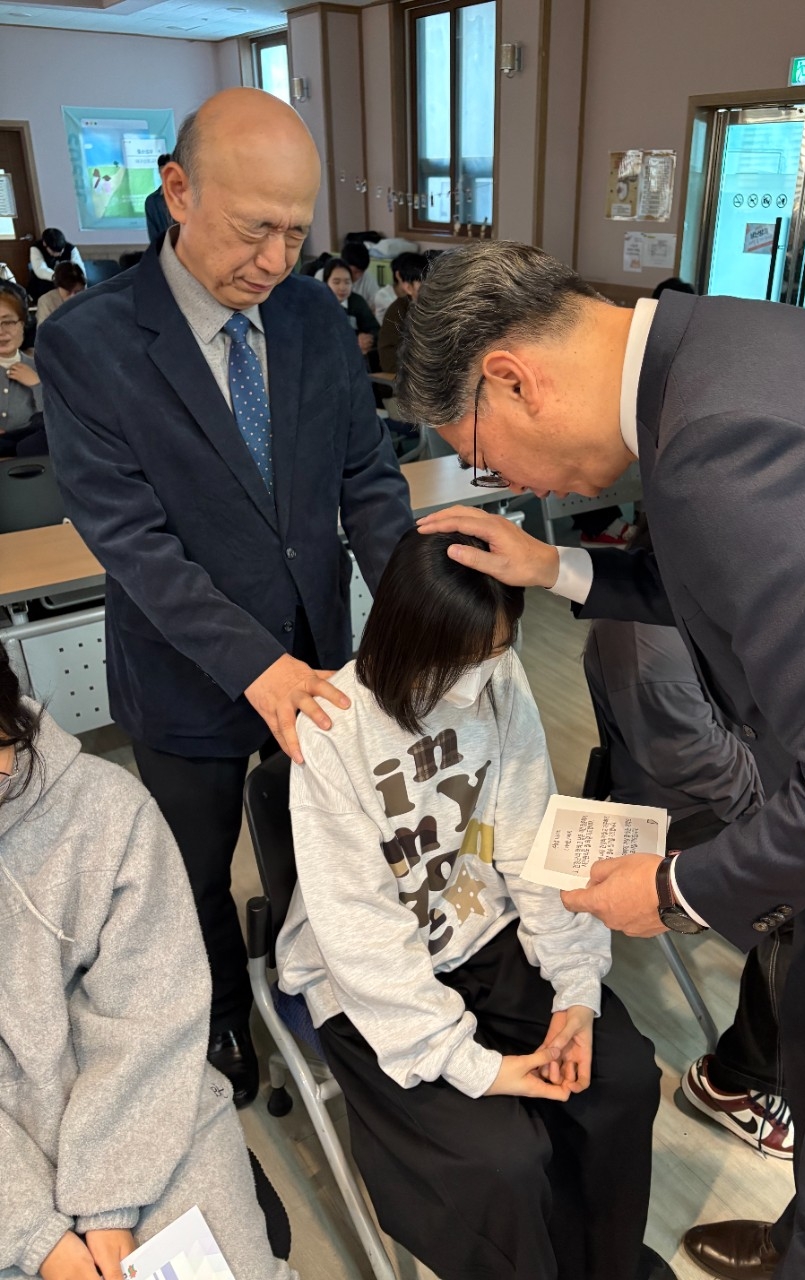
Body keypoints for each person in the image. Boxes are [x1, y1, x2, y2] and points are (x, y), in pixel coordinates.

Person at [401, 241, 805, 1280]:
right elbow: (722, 581)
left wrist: (672, 888)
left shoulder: (729, 439)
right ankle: (801, 1238)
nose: (507, 483)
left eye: (485, 456)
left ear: (513, 379)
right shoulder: (713, 356)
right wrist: (557, 566)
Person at [36, 87, 412, 1113]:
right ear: (179, 190)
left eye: (297, 231)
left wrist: (417, 613)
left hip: (319, 651)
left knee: (321, 847)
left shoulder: (312, 317)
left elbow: (367, 479)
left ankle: (317, 985)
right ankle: (215, 1010)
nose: (276, 259)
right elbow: (134, 543)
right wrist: (254, 665)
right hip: (185, 674)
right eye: (254, 229)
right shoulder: (89, 343)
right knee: (191, 870)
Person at [277, 527, 672, 1280]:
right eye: (464, 659)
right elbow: (362, 935)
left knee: (619, 1077)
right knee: (502, 1162)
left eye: (495, 650)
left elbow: (529, 839)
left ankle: (608, 1267)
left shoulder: (498, 674)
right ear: (410, 638)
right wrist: (475, 1067)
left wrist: (575, 990)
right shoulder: (334, 729)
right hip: (373, 982)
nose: (480, 677)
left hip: (480, 929)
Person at [0, 646, 296, 1280]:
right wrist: (35, 1237)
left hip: (146, 1105)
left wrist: (107, 1204)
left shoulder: (107, 808)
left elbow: (153, 1015)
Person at [585, 614, 795, 1161]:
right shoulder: (644, 633)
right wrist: (793, 814)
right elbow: (700, 759)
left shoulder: (703, 590)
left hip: (735, 778)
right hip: (681, 810)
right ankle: (735, 1083)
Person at [0, 282, 42, 433]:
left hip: (29, 447)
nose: (1, 332)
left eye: (8, 322)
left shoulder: (40, 368)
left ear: (22, 324)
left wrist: (37, 385)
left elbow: (57, 420)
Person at [377, 253, 428, 375]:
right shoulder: (398, 311)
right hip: (404, 374)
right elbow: (388, 361)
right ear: (408, 288)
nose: (430, 290)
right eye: (423, 286)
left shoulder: (436, 308)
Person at [320, 255, 380, 359]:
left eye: (347, 282)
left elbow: (376, 330)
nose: (342, 287)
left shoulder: (357, 302)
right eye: (336, 282)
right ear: (325, 283)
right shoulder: (317, 304)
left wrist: (369, 339)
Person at [28, 228, 84, 303]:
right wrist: (60, 278)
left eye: (61, 250)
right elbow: (40, 269)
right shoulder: (36, 248)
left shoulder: (71, 248)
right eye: (54, 252)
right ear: (44, 244)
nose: (59, 254)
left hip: (68, 282)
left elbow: (79, 268)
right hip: (45, 282)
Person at [372, 250, 428, 324]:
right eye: (418, 280)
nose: (423, 284)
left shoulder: (416, 294)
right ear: (398, 275)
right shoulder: (383, 296)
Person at [36, 262, 86, 326]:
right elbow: (44, 330)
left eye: (77, 292)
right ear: (58, 287)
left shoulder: (90, 298)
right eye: (68, 292)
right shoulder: (46, 302)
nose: (73, 296)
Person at [145, 153, 175, 244]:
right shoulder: (152, 201)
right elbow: (153, 234)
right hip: (164, 248)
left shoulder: (186, 196)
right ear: (159, 171)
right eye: (164, 170)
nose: (167, 174)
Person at [340, 239, 379, 309]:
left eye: (361, 272)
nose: (358, 276)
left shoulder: (369, 280)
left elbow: (376, 306)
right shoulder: (324, 275)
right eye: (355, 272)